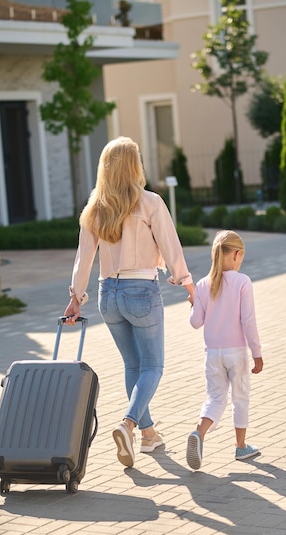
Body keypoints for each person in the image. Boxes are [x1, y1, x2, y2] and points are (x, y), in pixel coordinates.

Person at [64, 136, 195, 469]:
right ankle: (129, 424)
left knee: (133, 366)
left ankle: (148, 434)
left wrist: (76, 299)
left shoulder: (95, 206)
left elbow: (84, 258)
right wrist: (187, 283)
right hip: (142, 292)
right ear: (134, 166)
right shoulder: (149, 202)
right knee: (153, 366)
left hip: (108, 294)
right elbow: (170, 245)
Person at [186, 230, 263, 471]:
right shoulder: (242, 282)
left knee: (215, 398)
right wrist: (257, 353)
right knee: (240, 398)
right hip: (236, 352)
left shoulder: (202, 284)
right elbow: (248, 320)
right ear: (237, 255)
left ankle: (199, 433)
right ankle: (240, 447)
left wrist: (194, 304)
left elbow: (195, 322)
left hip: (213, 354)